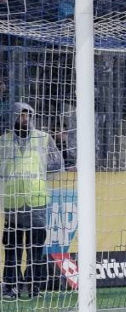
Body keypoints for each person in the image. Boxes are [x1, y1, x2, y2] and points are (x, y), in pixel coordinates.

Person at [1, 102, 63, 300]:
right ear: (13, 117)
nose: (25, 119)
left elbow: (57, 163)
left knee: (35, 250)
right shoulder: (4, 141)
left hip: (37, 202)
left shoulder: (44, 139)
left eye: (28, 115)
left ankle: (34, 286)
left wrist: (38, 174)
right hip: (13, 204)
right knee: (12, 250)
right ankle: (10, 286)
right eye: (21, 115)